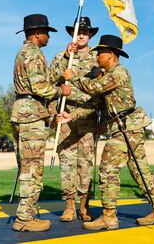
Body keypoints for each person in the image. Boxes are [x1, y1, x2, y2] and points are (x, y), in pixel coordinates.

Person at [58, 34, 154, 230]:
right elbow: (94, 105)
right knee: (140, 170)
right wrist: (72, 116)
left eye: (99, 54)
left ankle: (109, 216)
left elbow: (93, 88)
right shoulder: (108, 76)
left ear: (110, 55)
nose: (96, 57)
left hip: (125, 129)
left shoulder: (119, 73)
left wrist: (72, 77)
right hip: (128, 128)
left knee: (108, 170)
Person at [11, 14, 71, 232]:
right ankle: (25, 219)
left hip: (23, 112)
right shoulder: (34, 54)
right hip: (31, 116)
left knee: (27, 166)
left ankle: (26, 214)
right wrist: (60, 91)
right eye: (46, 32)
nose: (48, 37)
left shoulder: (23, 53)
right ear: (37, 33)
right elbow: (39, 87)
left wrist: (65, 57)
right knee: (32, 169)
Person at [49, 17, 102, 222]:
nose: (81, 35)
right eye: (77, 31)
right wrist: (64, 58)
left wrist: (103, 119)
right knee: (67, 163)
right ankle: (69, 206)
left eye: (85, 32)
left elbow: (102, 91)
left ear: (90, 35)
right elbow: (49, 81)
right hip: (65, 117)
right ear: (72, 34)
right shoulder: (61, 57)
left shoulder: (97, 58)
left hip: (87, 117)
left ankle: (84, 205)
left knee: (86, 163)